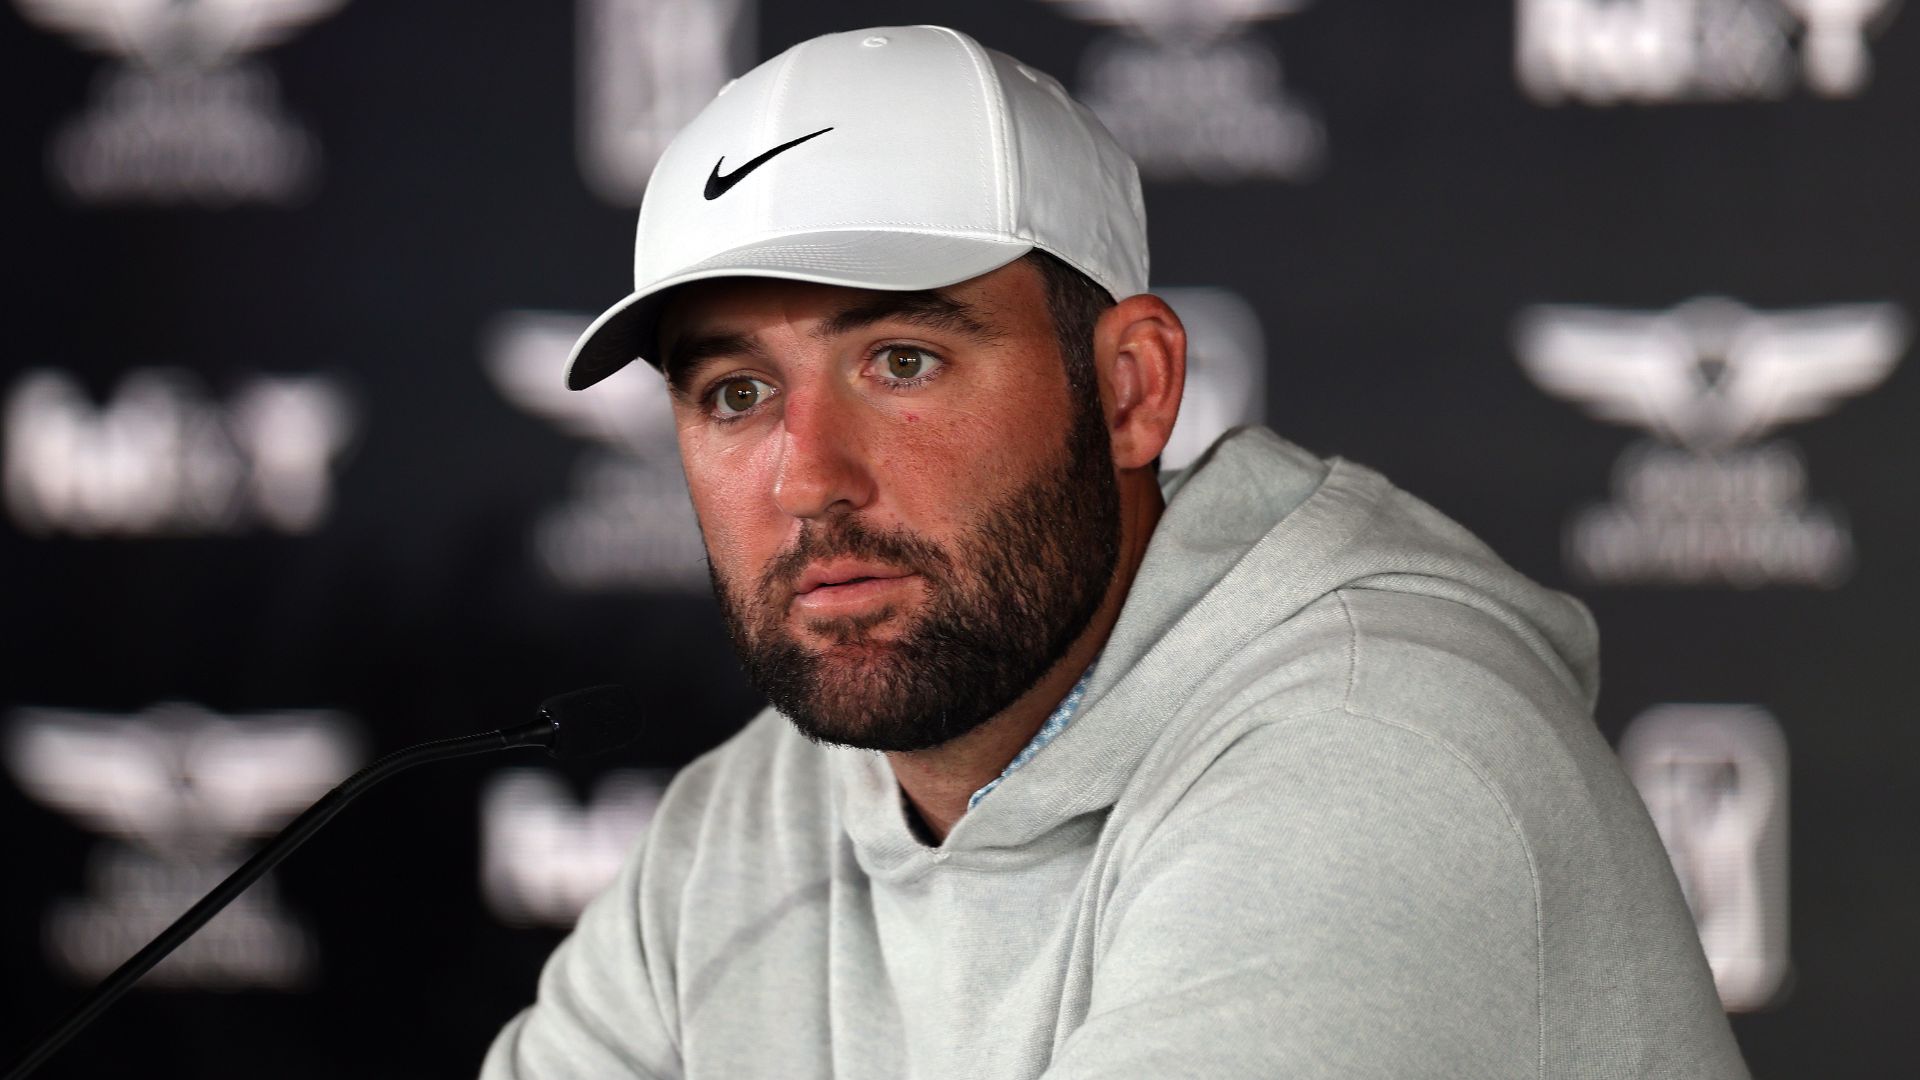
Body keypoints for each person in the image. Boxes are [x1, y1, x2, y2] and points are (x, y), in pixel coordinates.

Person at [483, 25, 1749, 1080]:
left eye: (902, 362)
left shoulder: (1379, 758)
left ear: (1133, 390)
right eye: (736, 394)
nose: (808, 476)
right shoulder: (740, 828)